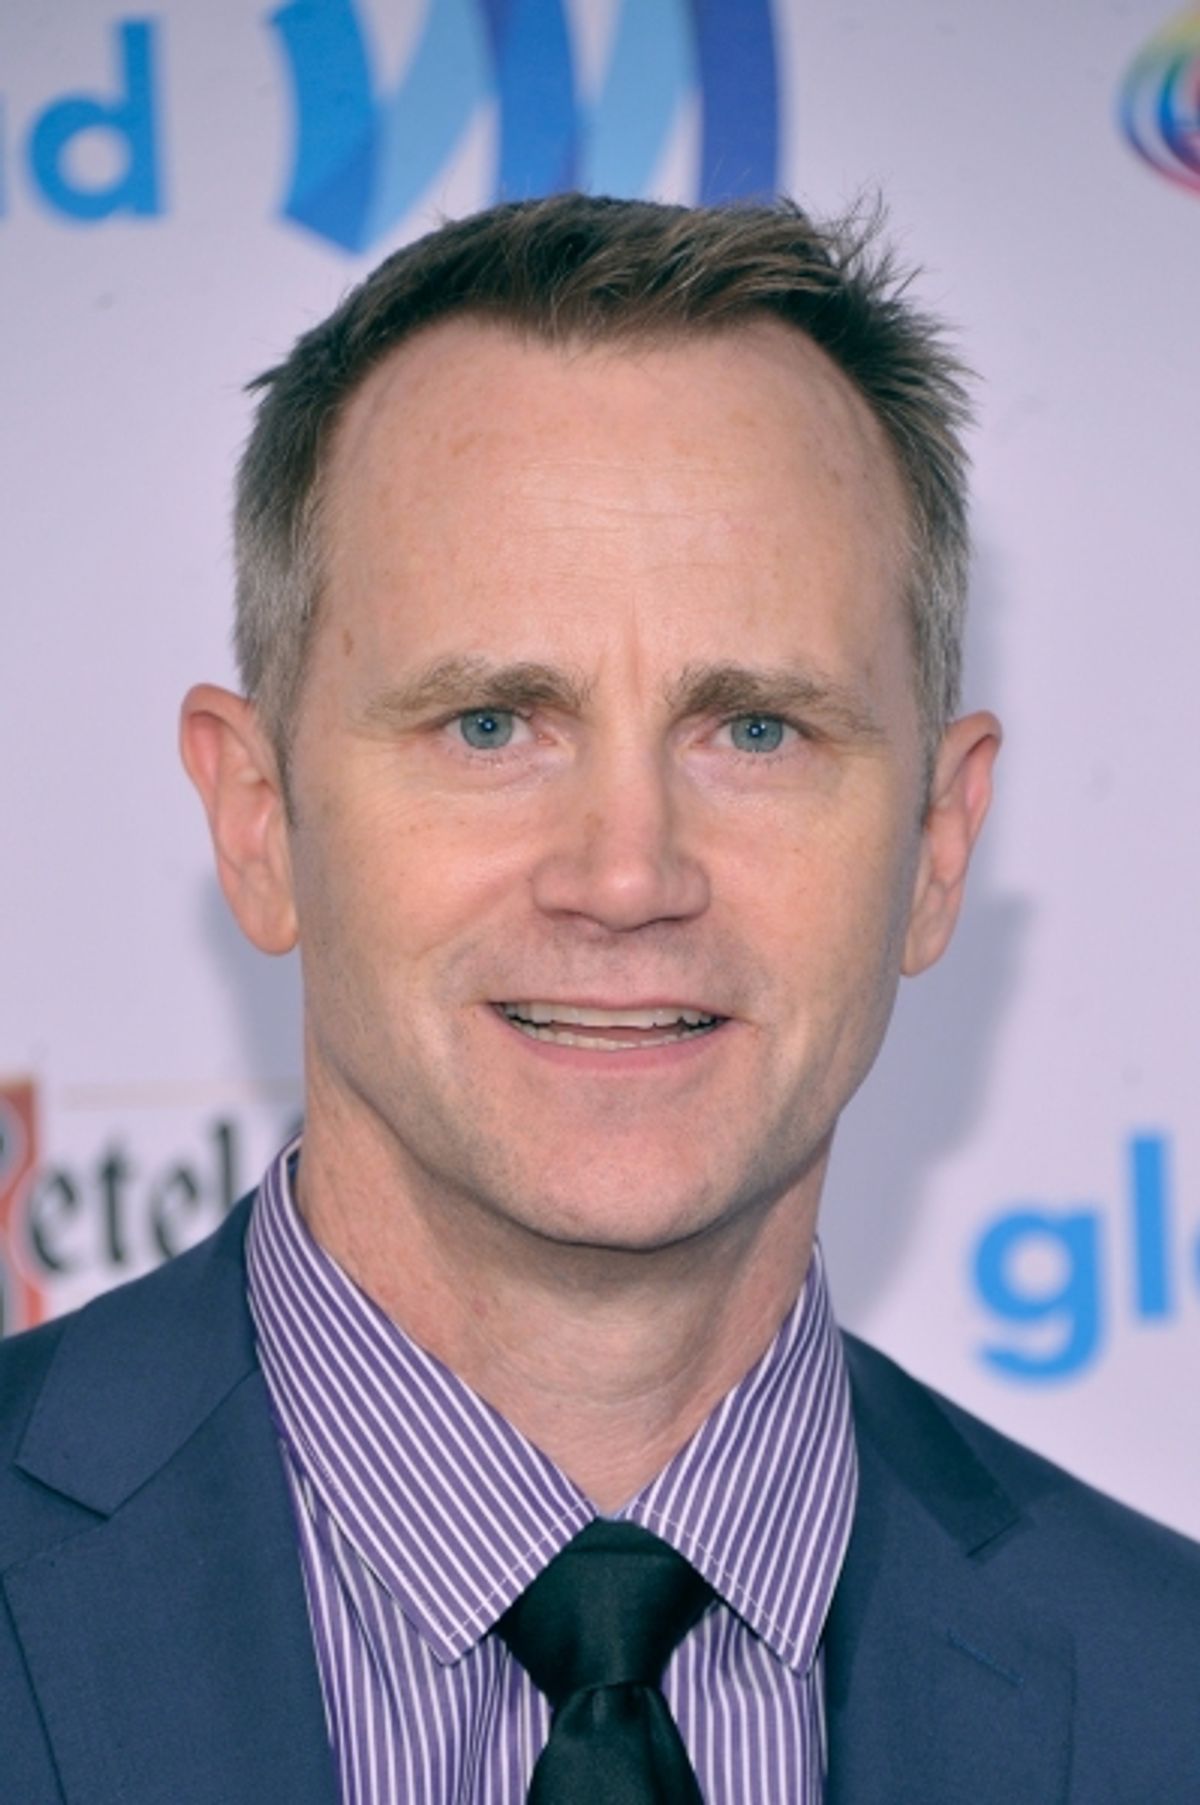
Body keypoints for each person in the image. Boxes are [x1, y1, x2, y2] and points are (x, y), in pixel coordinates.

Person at [2, 194, 1197, 1805]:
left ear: (935, 843)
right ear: (260, 820)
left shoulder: (1166, 1692)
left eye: (757, 729)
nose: (627, 873)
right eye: (494, 723)